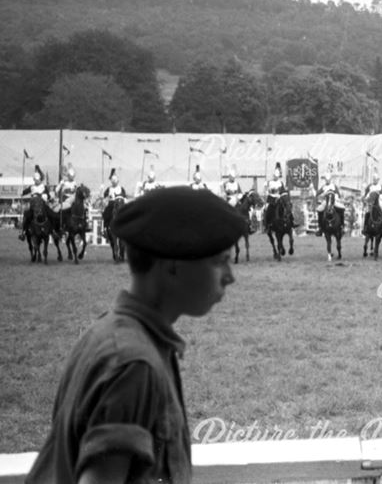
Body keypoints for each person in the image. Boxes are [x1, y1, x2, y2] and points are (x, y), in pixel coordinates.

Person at [25, 186, 246, 484]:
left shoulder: (108, 333)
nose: (230, 276)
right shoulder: (132, 364)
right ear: (172, 266)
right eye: (219, 261)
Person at [19, 164, 54, 241]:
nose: (37, 181)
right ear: (34, 180)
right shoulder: (32, 187)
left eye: (38, 179)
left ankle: (53, 231)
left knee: (51, 214)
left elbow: (48, 195)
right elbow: (25, 192)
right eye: (36, 180)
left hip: (42, 206)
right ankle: (23, 232)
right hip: (33, 206)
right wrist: (21, 192)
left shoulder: (43, 187)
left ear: (40, 179)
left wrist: (47, 197)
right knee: (27, 215)